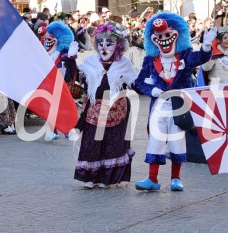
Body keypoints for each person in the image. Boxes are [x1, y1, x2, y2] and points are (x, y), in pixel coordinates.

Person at [134, 13, 215, 192]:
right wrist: (151, 90)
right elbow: (138, 82)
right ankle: (152, 178)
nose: (163, 39)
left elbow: (200, 58)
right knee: (155, 141)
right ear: (152, 39)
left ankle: (176, 178)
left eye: (166, 34)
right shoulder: (150, 60)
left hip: (178, 105)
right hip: (159, 106)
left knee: (177, 141)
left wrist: (207, 45)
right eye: (159, 36)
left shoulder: (185, 55)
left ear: (177, 34)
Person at [74, 23, 137, 188]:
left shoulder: (123, 63)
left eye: (109, 43)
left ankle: (107, 179)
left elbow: (134, 82)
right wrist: (70, 59)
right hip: (94, 109)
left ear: (118, 45)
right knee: (92, 142)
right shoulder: (90, 61)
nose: (104, 46)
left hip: (117, 110)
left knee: (112, 144)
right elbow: (76, 78)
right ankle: (90, 177)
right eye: (100, 42)